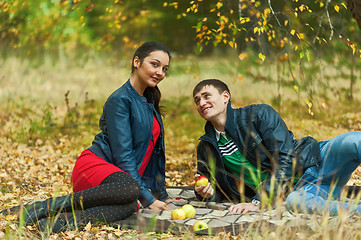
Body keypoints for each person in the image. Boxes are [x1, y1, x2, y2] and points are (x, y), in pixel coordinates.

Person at [1, 41, 172, 232]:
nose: (160, 73)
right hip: (95, 167)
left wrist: (158, 194)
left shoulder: (149, 101)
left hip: (122, 181)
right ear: (137, 62)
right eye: (155, 64)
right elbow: (123, 155)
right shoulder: (120, 100)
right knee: (133, 191)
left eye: (165, 69)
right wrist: (147, 198)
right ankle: (44, 206)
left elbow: (152, 154)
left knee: (131, 205)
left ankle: (59, 222)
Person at [192, 78, 361, 215]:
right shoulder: (206, 147)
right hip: (303, 190)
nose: (201, 102)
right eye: (197, 100)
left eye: (207, 96)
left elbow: (286, 159)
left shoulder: (258, 115)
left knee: (353, 141)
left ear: (225, 97)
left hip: (318, 161)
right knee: (296, 203)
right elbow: (215, 190)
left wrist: (260, 200)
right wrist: (207, 193)